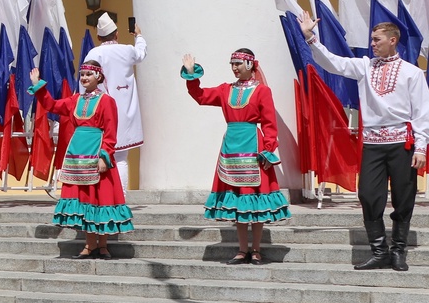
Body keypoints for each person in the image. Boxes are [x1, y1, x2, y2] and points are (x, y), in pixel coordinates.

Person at [300, 15, 429, 271]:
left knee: (404, 197)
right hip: (372, 142)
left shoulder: (412, 73)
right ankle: (379, 251)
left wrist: (422, 147)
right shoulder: (365, 66)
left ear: (393, 41)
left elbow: (422, 111)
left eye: (377, 39)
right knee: (368, 195)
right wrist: (309, 37)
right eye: (372, 39)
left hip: (402, 142)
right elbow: (333, 63)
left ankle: (398, 251)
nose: (372, 44)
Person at [182, 49, 291, 265]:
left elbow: (270, 123)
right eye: (232, 63)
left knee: (255, 202)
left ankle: (257, 249)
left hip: (253, 147)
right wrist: (192, 74)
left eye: (238, 63)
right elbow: (201, 96)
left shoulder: (262, 91)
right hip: (231, 148)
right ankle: (242, 250)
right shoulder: (225, 90)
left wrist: (269, 148)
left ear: (250, 65)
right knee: (240, 203)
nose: (234, 67)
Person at [30, 61, 133, 258]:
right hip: (77, 156)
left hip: (96, 154)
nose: (85, 78)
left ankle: (102, 245)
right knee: (85, 200)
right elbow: (52, 105)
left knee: (99, 199)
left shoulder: (107, 101)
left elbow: (111, 132)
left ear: (99, 77)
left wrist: (105, 156)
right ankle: (89, 244)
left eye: (89, 74)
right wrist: (38, 85)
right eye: (82, 74)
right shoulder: (74, 100)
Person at [84, 14, 147, 186]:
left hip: (100, 111)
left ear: (98, 37)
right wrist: (138, 36)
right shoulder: (127, 50)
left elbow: (85, 82)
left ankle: (102, 200)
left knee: (99, 155)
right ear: (116, 34)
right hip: (124, 112)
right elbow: (141, 53)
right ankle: (121, 200)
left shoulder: (94, 53)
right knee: (120, 158)